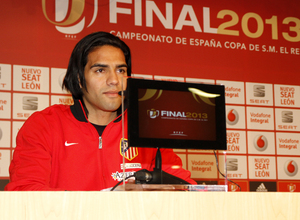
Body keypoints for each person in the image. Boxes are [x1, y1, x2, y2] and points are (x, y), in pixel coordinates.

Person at [5, 31, 196, 191]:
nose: (114, 80)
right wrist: (109, 199)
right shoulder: (45, 125)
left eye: (121, 70)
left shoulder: (147, 125)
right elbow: (25, 193)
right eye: (100, 70)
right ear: (79, 79)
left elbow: (184, 186)